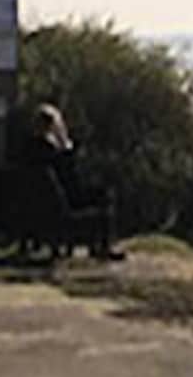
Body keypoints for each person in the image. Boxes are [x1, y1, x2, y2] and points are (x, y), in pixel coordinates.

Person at [26, 103, 125, 260]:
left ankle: (97, 245)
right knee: (104, 197)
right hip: (63, 200)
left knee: (101, 193)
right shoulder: (49, 148)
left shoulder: (32, 148)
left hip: (56, 199)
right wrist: (68, 148)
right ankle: (102, 246)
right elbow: (69, 175)